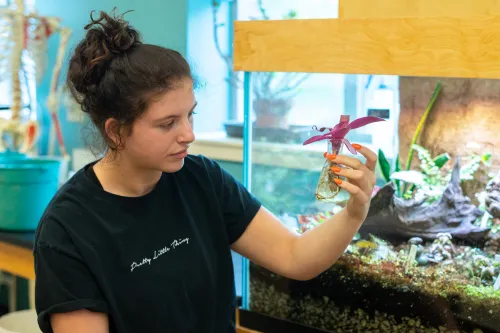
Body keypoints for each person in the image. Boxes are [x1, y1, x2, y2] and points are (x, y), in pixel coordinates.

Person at [33, 9, 378, 333]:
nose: (189, 134)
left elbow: (295, 257)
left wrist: (354, 211)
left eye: (190, 115)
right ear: (116, 131)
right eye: (167, 123)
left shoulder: (202, 180)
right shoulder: (68, 229)